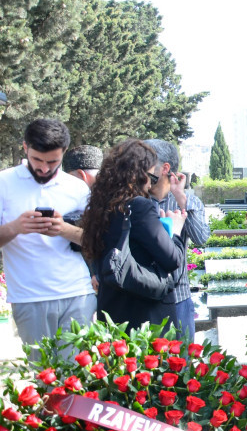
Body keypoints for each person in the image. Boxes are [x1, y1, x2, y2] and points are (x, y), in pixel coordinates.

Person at [0, 119, 95, 349]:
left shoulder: (77, 187)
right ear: (25, 148)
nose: (44, 168)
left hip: (77, 293)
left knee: (76, 379)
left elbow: (96, 240)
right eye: (37, 160)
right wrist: (15, 228)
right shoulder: (4, 182)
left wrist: (64, 229)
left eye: (53, 161)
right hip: (29, 297)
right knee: (44, 376)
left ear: (64, 153)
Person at [80, 139, 187, 331]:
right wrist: (176, 230)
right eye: (151, 178)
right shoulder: (139, 206)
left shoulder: (99, 206)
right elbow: (172, 259)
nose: (150, 186)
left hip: (112, 310)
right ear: (138, 175)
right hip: (146, 313)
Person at [145, 139, 209, 340]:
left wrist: (182, 198)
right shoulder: (135, 200)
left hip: (178, 297)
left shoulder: (185, 200)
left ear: (164, 168)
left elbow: (201, 238)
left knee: (181, 365)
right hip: (142, 296)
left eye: (144, 162)